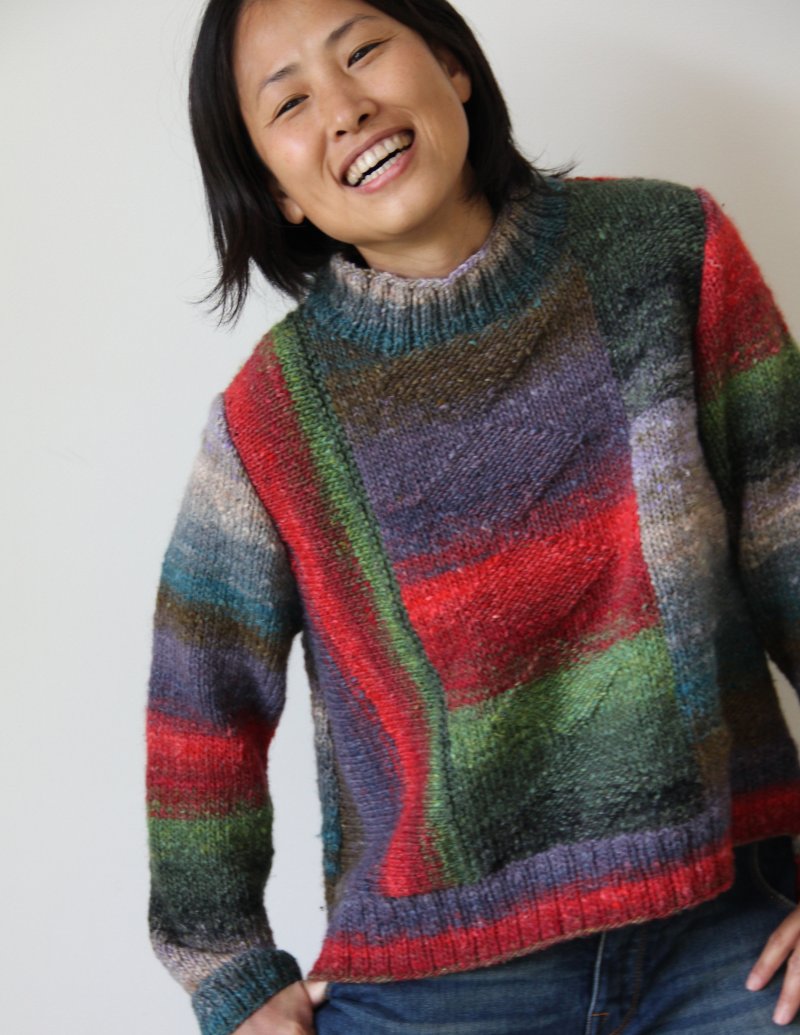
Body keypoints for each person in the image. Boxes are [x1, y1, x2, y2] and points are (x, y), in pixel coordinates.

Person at [145, 1, 800, 1032]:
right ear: (275, 190)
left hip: (726, 928)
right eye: (290, 103)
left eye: (363, 50)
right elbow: (200, 702)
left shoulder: (666, 253)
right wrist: (229, 974)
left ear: (450, 65)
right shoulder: (274, 416)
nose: (346, 108)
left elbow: (791, 543)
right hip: (440, 979)